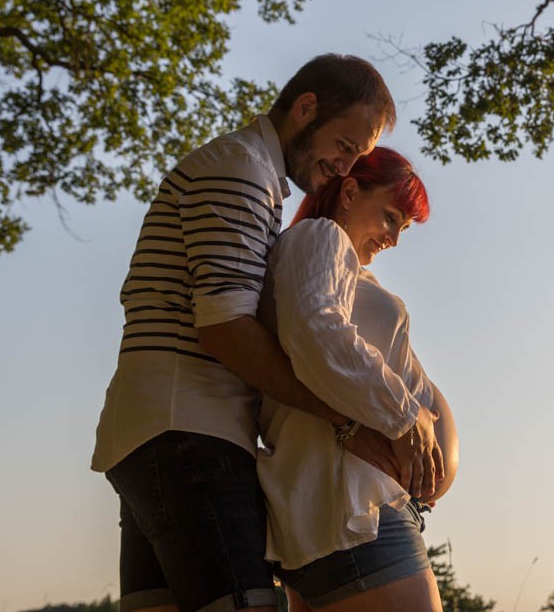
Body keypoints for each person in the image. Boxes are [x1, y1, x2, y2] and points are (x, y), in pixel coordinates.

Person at [91, 55, 441, 612]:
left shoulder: (251, 175)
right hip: (190, 432)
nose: (344, 166)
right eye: (345, 145)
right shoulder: (242, 168)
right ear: (306, 108)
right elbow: (226, 329)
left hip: (161, 431)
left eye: (356, 156)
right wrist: (351, 422)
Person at [257, 147, 459, 612]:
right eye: (390, 217)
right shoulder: (320, 236)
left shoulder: (341, 267)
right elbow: (319, 333)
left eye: (403, 228)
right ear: (349, 192)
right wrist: (408, 419)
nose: (394, 238)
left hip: (356, 507)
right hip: (352, 511)